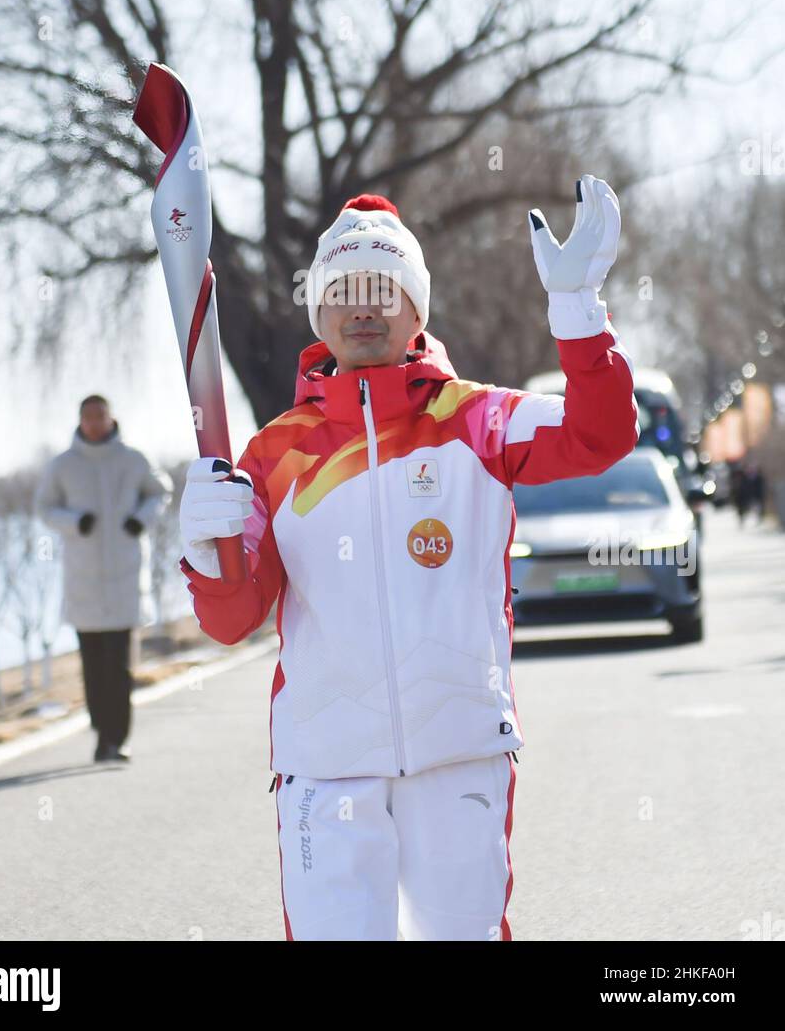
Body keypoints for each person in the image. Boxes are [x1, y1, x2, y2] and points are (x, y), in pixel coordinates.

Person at [179, 175, 640, 940]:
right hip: (326, 772)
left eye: (383, 290)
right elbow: (234, 618)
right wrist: (207, 548)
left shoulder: (477, 420)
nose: (364, 306)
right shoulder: (273, 454)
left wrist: (578, 315)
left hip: (458, 754)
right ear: (320, 311)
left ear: (416, 309)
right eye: (345, 290)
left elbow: (601, 434)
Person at [35, 394, 172, 763]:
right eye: (88, 416)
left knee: (120, 665)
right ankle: (101, 734)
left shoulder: (134, 459)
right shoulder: (63, 466)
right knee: (93, 668)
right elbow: (44, 507)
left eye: (100, 415)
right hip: (83, 581)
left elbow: (161, 492)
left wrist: (139, 519)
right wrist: (73, 521)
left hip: (125, 578)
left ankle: (118, 738)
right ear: (80, 420)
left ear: (111, 417)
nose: (95, 422)